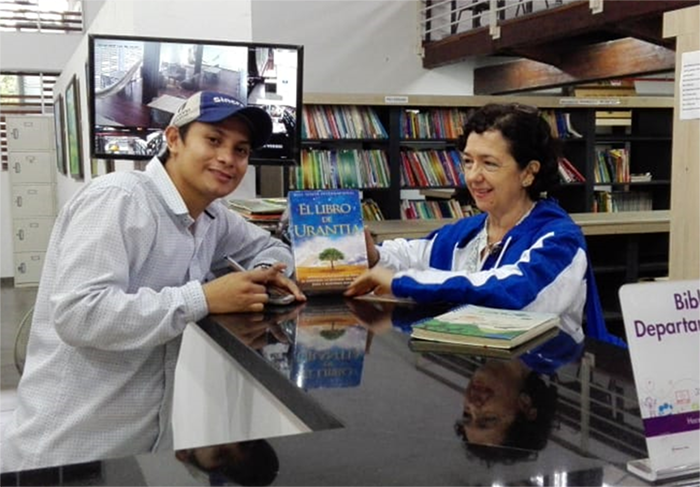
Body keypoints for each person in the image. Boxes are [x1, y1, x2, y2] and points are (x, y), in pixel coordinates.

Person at [0, 91, 305, 472]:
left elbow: (274, 249)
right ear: (174, 139)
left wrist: (262, 277)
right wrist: (204, 297)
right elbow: (80, 314)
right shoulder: (118, 200)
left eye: (241, 150)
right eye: (213, 140)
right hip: (65, 451)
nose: (228, 158)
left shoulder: (212, 216)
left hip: (139, 447)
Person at [345, 102, 623, 346]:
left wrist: (402, 282)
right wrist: (376, 257)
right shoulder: (469, 232)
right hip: (487, 373)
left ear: (528, 173)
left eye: (489, 164)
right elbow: (414, 253)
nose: (473, 176)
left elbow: (513, 294)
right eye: (468, 162)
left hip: (541, 387)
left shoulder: (560, 239)